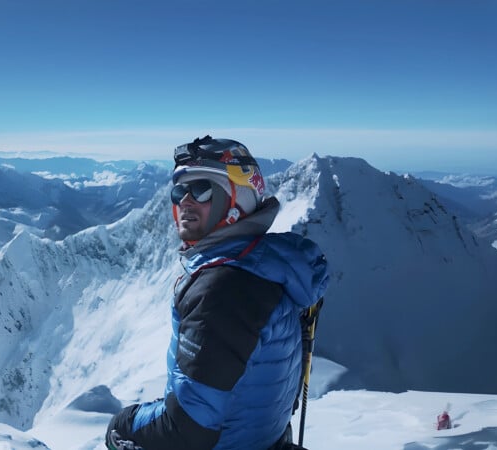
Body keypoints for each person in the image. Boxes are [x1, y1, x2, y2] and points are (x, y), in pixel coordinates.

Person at [105, 136, 330, 450]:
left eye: (202, 189)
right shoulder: (263, 268)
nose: (185, 200)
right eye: (179, 191)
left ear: (238, 200)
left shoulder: (223, 290)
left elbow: (185, 430)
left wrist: (123, 423)